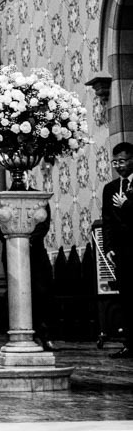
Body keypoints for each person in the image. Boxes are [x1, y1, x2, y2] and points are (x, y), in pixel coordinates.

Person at [103, 142, 133, 358]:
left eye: (122, 161)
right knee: (127, 299)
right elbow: (107, 221)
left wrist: (127, 205)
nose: (118, 166)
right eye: (115, 162)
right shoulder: (111, 188)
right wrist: (109, 248)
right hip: (122, 252)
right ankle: (130, 344)